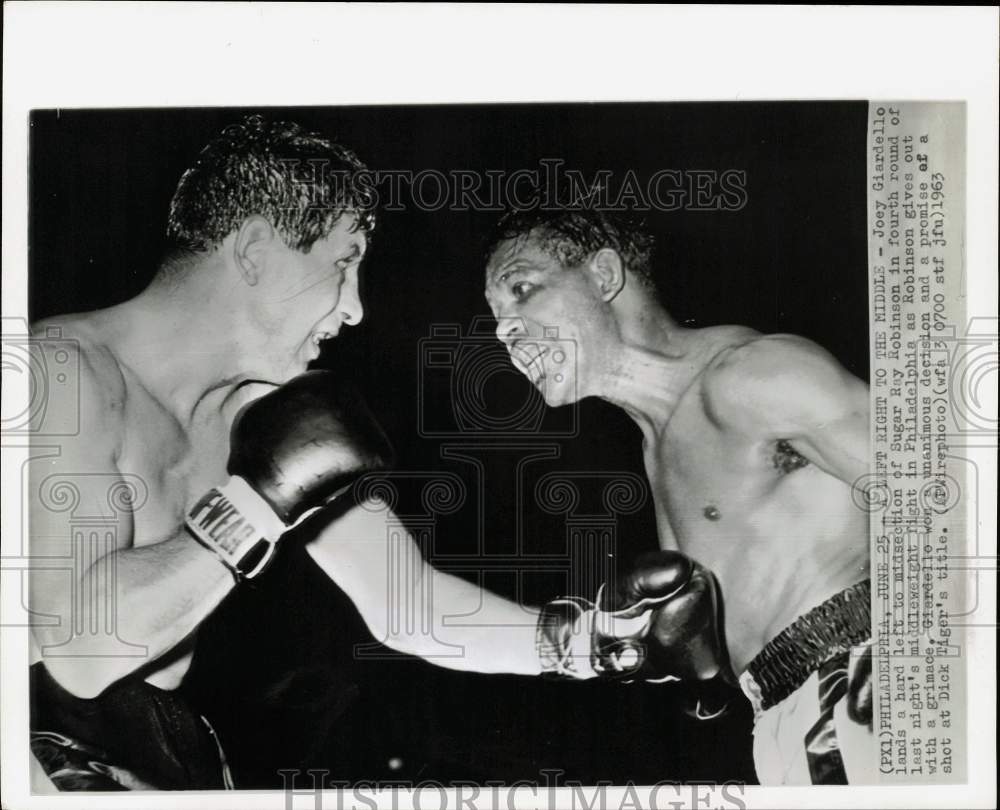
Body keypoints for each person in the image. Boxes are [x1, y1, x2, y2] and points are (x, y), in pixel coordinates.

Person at [29, 116, 725, 790]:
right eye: (343, 263)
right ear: (257, 253)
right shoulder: (63, 370)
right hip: (44, 745)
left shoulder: (263, 415)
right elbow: (79, 652)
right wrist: (256, 502)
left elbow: (409, 604)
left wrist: (601, 644)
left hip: (177, 748)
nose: (357, 307)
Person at [482, 206, 874, 785]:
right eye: (495, 317)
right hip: (782, 720)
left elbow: (948, 495)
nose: (504, 330)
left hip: (864, 685)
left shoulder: (748, 375)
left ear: (604, 275)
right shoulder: (656, 446)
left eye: (521, 290)